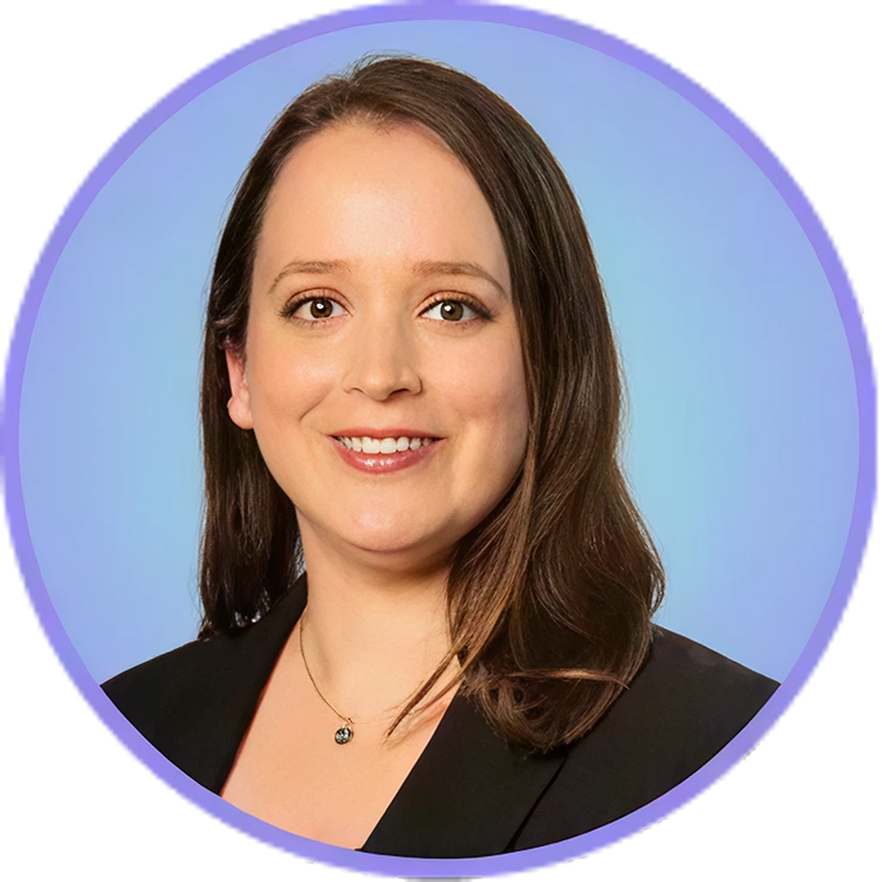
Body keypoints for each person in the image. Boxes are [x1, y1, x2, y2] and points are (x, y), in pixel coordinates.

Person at [102, 55, 778, 858]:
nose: (382, 375)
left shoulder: (716, 743)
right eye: (317, 305)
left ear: (549, 361)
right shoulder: (128, 719)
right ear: (240, 373)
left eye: (451, 307)